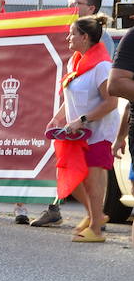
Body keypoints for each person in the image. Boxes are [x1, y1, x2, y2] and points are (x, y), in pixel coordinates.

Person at [49, 16, 120, 243]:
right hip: (76, 132)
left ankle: (96, 230)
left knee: (92, 180)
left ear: (85, 37)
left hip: (99, 132)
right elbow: (70, 96)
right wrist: (57, 118)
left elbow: (111, 103)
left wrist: (81, 120)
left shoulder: (102, 66)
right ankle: (95, 215)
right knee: (69, 173)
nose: (68, 37)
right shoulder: (75, 62)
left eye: (72, 33)